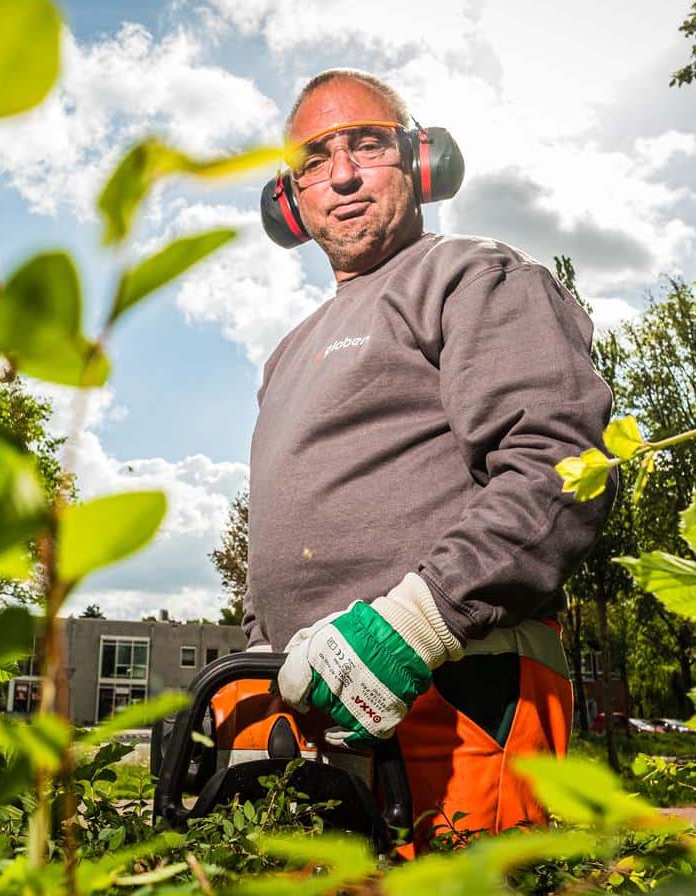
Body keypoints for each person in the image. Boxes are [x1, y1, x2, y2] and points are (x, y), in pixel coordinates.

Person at [242, 69, 615, 855]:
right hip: (307, 714)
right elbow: (275, 535)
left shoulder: (475, 275)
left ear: (421, 163)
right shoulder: (285, 355)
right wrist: (253, 663)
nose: (341, 174)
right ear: (291, 201)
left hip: (454, 692)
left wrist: (416, 622)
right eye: (314, 159)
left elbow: (556, 466)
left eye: (367, 145)